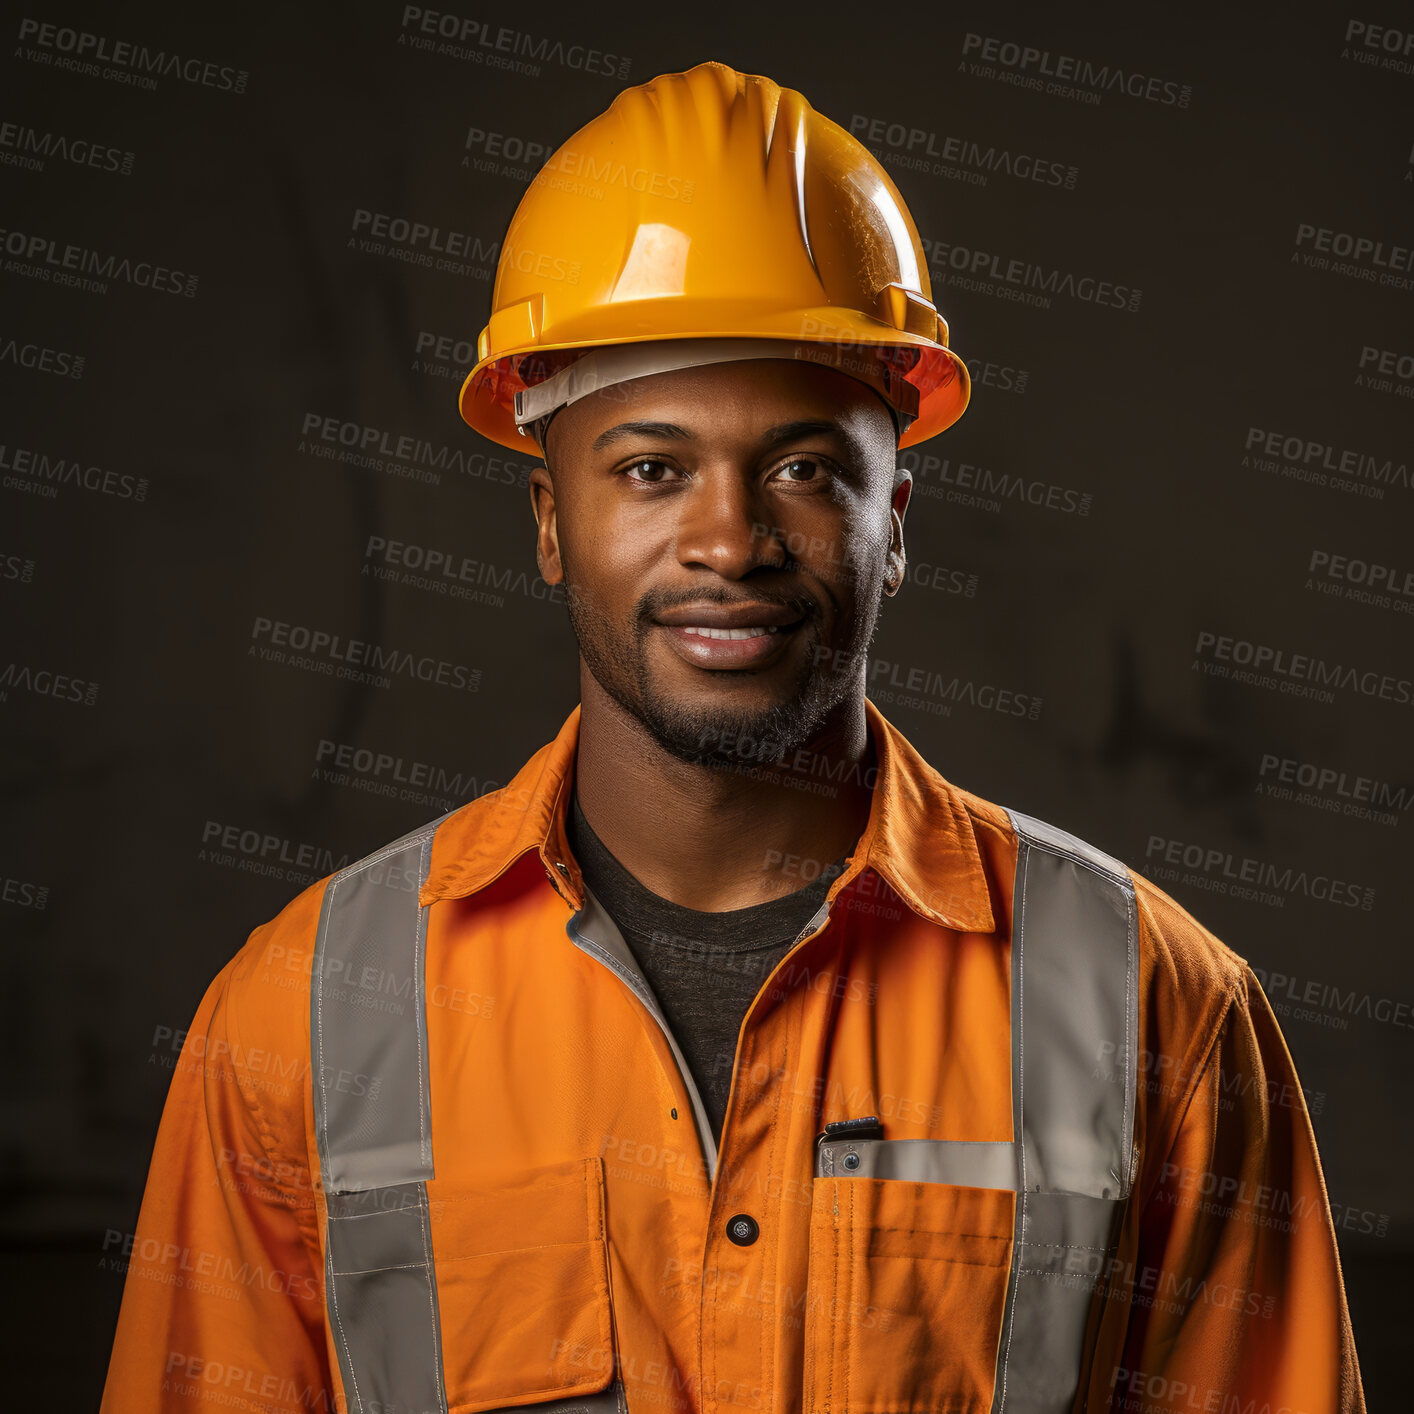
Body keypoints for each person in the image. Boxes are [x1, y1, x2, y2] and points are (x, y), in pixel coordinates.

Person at [101, 60, 1365, 1414]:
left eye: (805, 470)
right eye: (649, 469)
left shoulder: (1153, 1009)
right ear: (546, 521)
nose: (728, 542)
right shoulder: (298, 1018)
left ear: (897, 529)